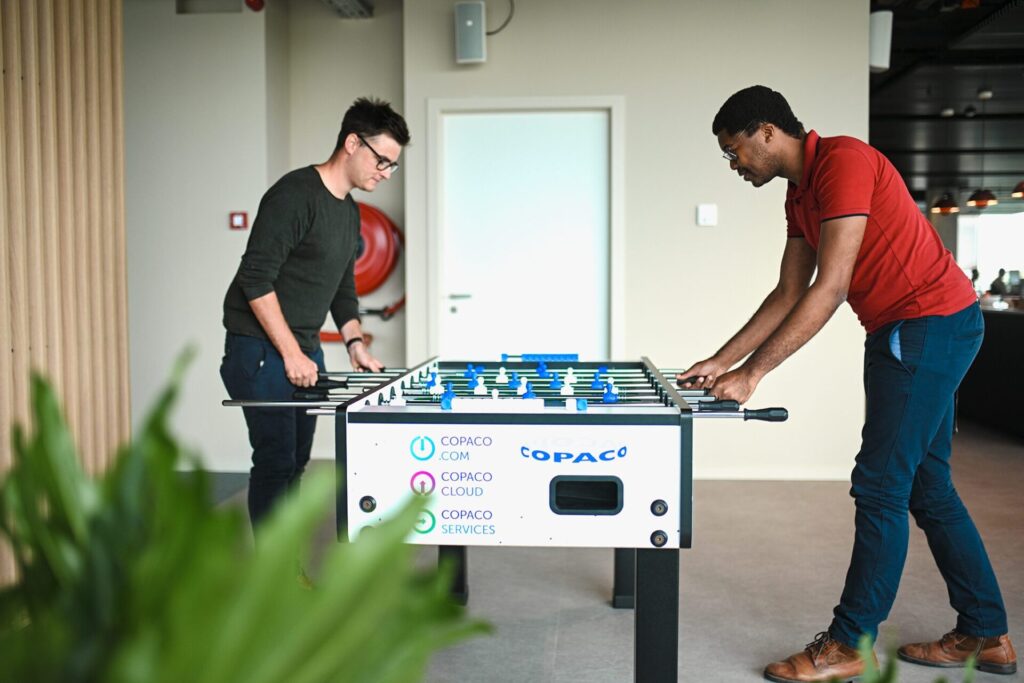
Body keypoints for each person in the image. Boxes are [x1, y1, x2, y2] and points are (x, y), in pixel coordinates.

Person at [679, 86, 1014, 682]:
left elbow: (830, 288)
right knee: (927, 486)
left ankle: (848, 644)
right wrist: (721, 359)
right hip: (916, 327)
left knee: (881, 486)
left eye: (735, 151)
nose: (735, 165)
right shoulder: (798, 194)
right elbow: (787, 291)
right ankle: (986, 634)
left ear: (766, 131)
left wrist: (753, 373)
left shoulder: (844, 161)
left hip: (925, 326)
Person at [221, 97, 410, 528]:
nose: (385, 172)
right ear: (352, 143)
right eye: (382, 160)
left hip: (303, 348)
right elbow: (255, 279)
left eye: (392, 165)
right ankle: (275, 581)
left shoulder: (348, 211)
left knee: (296, 463)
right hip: (260, 349)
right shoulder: (294, 195)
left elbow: (343, 286)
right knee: (275, 461)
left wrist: (355, 344)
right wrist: (290, 353)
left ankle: (287, 569)